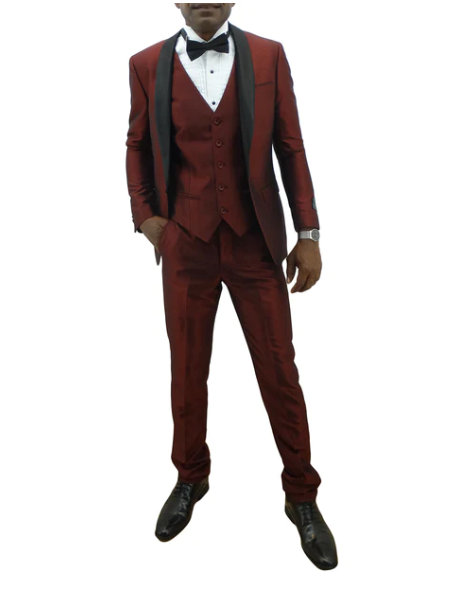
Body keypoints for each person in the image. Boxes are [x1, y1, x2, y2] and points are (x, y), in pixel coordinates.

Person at [125, 3, 338, 570]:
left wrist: (309, 233)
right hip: (185, 244)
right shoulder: (145, 64)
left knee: (279, 369)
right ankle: (190, 476)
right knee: (186, 368)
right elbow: (137, 146)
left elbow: (291, 147)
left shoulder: (268, 55)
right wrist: (147, 219)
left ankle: (302, 494)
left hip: (254, 242)